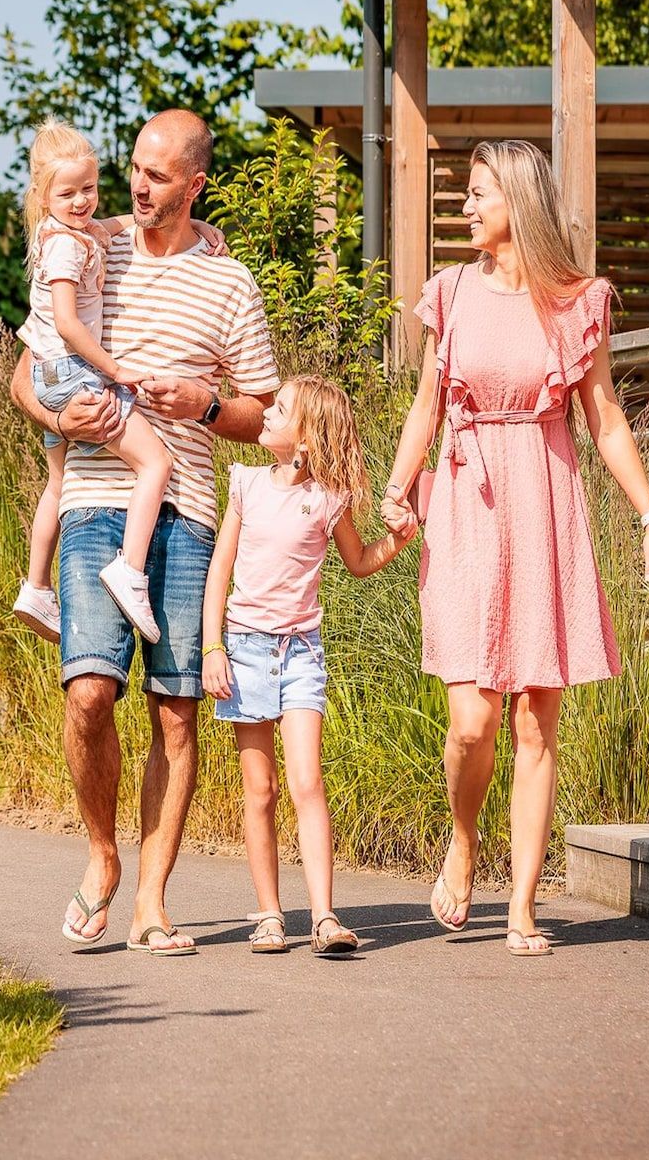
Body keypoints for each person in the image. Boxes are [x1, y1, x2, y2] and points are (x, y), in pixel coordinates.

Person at [380, 139, 649, 957]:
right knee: (472, 723)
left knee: (536, 720)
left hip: (546, 501)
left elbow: (605, 418)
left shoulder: (577, 302)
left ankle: (523, 905)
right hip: (468, 502)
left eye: (478, 194)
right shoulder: (451, 292)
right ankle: (464, 840)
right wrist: (398, 489)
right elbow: (424, 409)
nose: (465, 208)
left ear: (518, 200)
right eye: (465, 195)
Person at [8, 108, 280, 956]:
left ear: (196, 184)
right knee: (89, 695)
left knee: (175, 715)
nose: (137, 186)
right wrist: (64, 411)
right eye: (134, 167)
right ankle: (101, 854)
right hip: (94, 496)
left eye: (158, 176)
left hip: (191, 510)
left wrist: (203, 404)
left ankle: (152, 902)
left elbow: (264, 414)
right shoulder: (94, 243)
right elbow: (26, 375)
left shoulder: (230, 282)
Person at [200, 375, 414, 956]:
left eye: (281, 409)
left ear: (306, 438)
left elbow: (361, 561)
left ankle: (323, 916)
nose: (266, 412)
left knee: (307, 782)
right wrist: (212, 649)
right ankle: (270, 915)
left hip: (301, 655)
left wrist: (400, 538)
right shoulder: (245, 485)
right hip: (243, 650)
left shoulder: (326, 498)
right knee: (259, 788)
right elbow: (219, 573)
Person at [10, 121, 174, 646]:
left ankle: (35, 586)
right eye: (68, 192)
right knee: (157, 462)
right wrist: (115, 368)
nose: (83, 201)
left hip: (49, 376)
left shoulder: (61, 232)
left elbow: (117, 224)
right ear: (41, 194)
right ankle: (129, 569)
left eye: (90, 188)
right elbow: (66, 322)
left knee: (58, 484)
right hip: (75, 372)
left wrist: (198, 229)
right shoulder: (67, 250)